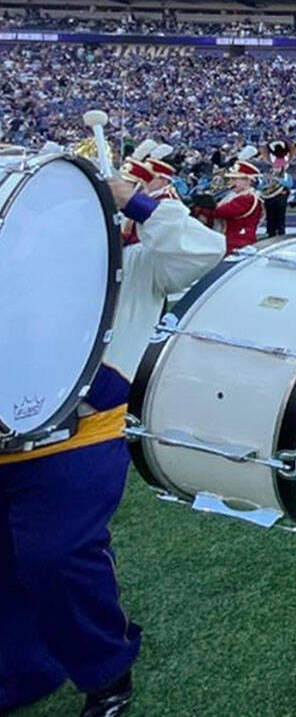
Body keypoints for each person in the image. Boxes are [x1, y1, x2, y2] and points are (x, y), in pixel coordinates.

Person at [1, 158, 224, 717]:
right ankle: (23, 671)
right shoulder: (19, 260)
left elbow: (201, 251)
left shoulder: (136, 260)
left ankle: (106, 670)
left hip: (74, 435)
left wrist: (133, 200)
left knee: (60, 558)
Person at [199, 157, 263, 255]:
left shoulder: (247, 199)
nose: (230, 182)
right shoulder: (237, 196)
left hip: (239, 244)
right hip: (230, 242)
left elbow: (222, 212)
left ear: (248, 181)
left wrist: (206, 206)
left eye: (235, 179)